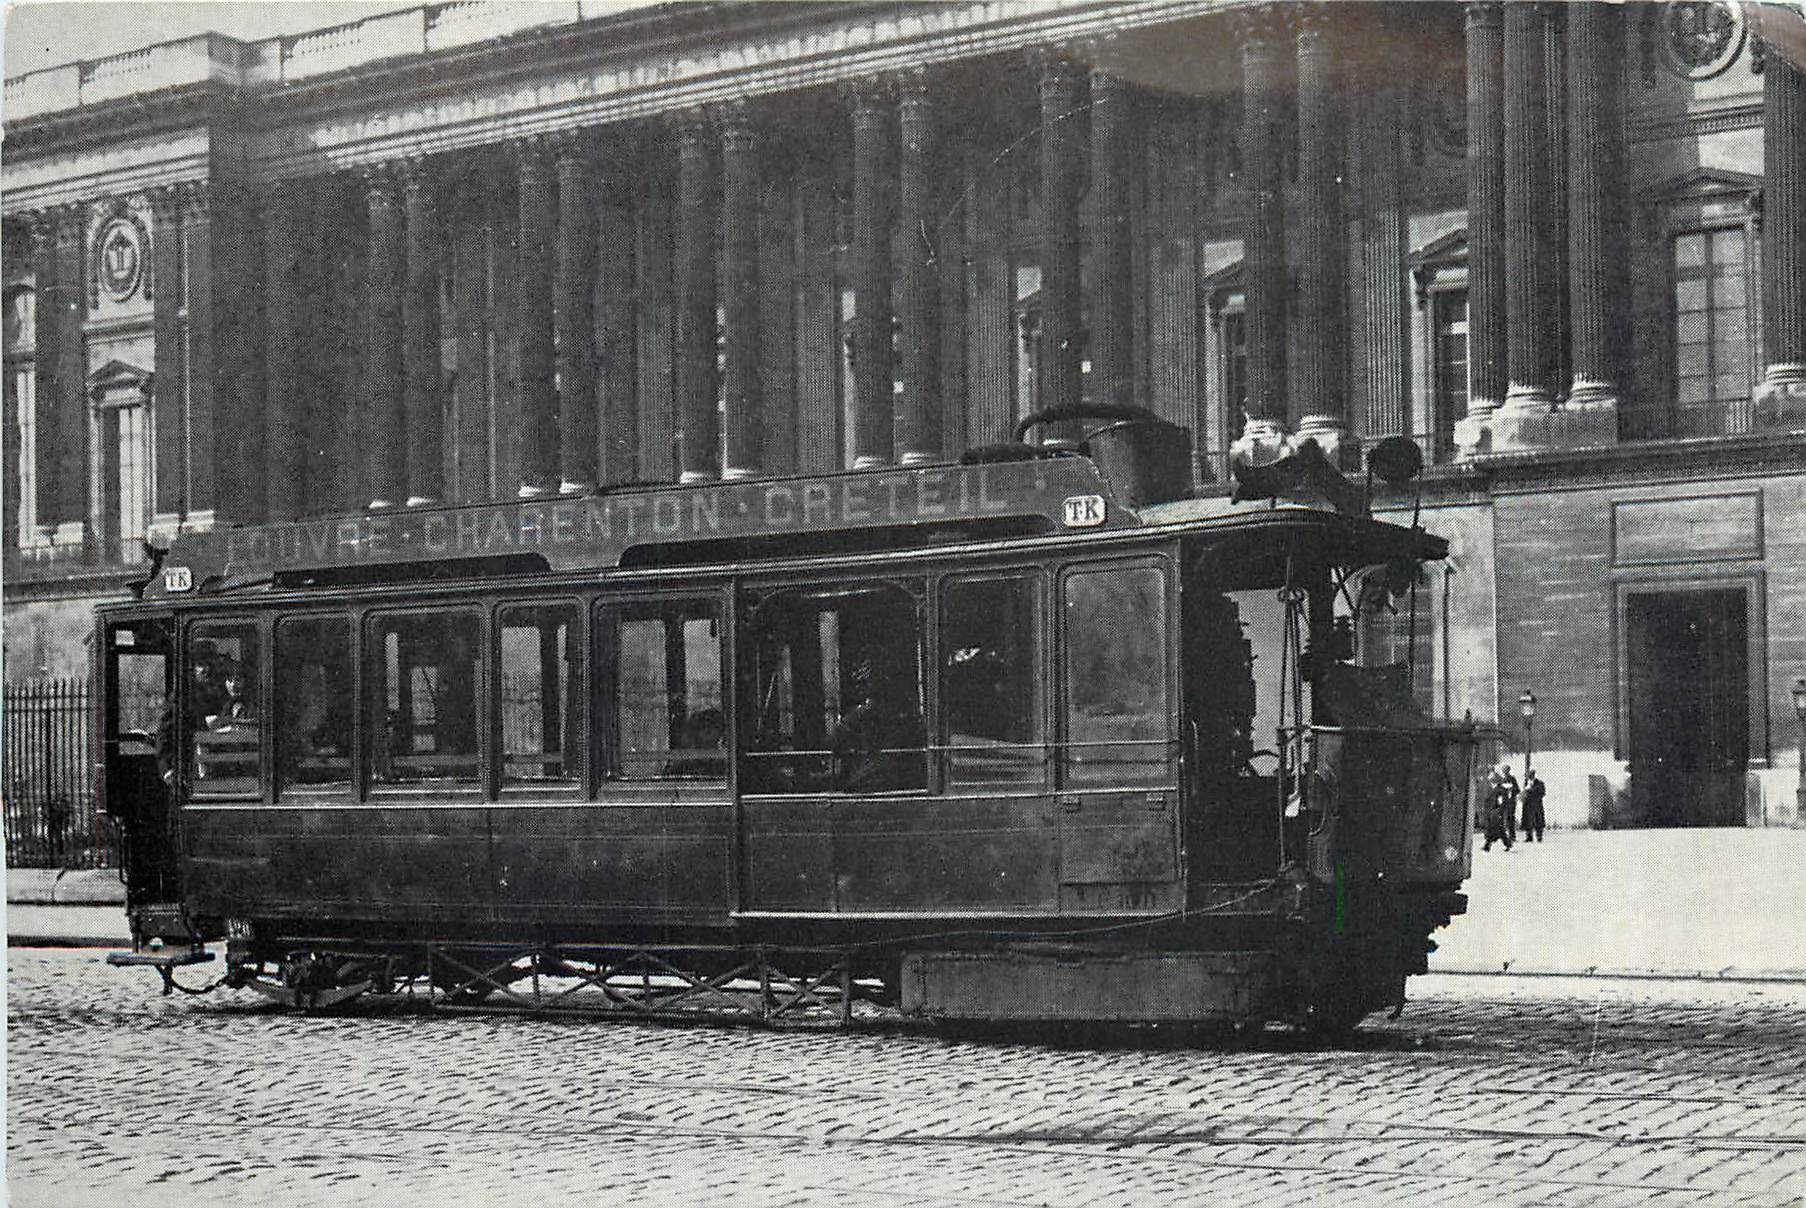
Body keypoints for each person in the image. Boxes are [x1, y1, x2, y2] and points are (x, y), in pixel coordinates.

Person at [1481, 767, 1513, 852]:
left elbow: (1501, 802)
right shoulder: (1495, 789)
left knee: (1493, 829)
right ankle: (1507, 844)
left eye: (1492, 780)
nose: (1490, 782)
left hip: (1496, 812)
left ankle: (1487, 846)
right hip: (1493, 812)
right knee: (1499, 830)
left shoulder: (1499, 790)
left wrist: (1499, 812)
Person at [1521, 770, 1547, 842]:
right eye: (1528, 776)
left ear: (1533, 775)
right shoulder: (1526, 783)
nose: (1529, 777)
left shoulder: (1540, 783)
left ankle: (1539, 837)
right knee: (1528, 820)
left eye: (1530, 775)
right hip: (1527, 805)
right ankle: (1529, 837)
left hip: (1536, 805)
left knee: (1538, 821)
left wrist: (1532, 791)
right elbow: (1524, 793)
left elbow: (1543, 793)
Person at [1497, 765, 1521, 843]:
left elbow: (1517, 790)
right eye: (1503, 770)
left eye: (1506, 770)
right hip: (1503, 801)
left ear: (1508, 770)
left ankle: (1512, 836)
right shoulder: (1502, 779)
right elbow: (1499, 790)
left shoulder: (1512, 779)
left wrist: (1511, 789)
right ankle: (1502, 835)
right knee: (1501, 818)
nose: (1504, 772)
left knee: (1510, 818)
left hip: (1511, 802)